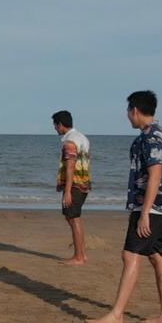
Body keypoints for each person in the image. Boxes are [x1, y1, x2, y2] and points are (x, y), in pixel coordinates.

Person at [87, 90, 162, 323]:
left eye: (128, 112)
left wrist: (145, 212)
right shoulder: (160, 134)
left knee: (130, 255)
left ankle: (117, 314)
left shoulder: (151, 137)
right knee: (158, 257)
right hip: (161, 206)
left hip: (150, 207)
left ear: (135, 110)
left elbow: (155, 173)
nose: (127, 116)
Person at [51, 110, 91, 265]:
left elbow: (70, 166)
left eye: (55, 126)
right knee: (73, 218)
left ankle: (79, 257)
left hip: (74, 185)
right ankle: (82, 254)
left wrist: (67, 191)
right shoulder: (82, 137)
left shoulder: (70, 141)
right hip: (83, 183)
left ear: (60, 125)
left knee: (73, 219)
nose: (55, 129)